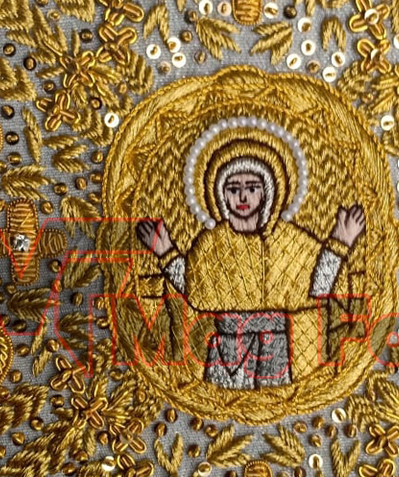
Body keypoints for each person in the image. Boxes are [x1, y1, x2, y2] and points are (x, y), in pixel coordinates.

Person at [136, 144, 364, 389]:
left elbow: (318, 288)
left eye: (252, 188)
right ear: (221, 194)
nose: (243, 197)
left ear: (267, 192)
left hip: (275, 349)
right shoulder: (211, 243)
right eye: (234, 189)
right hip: (227, 351)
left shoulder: (289, 240)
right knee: (221, 401)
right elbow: (196, 289)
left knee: (274, 398)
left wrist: (340, 243)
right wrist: (166, 253)